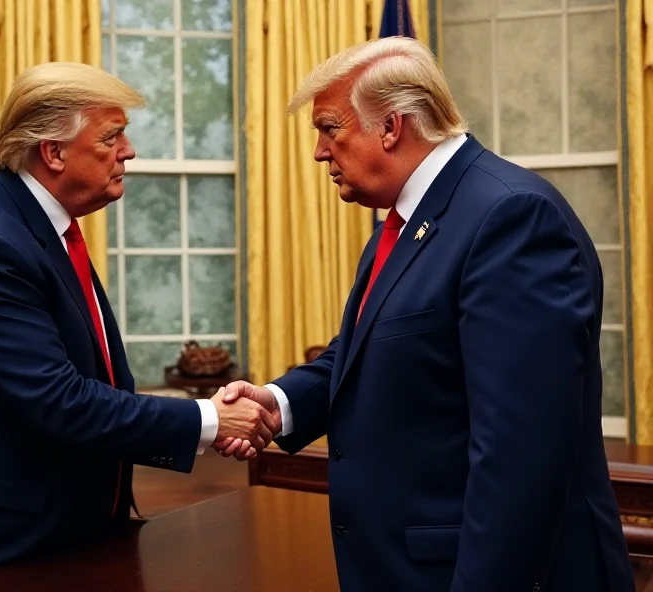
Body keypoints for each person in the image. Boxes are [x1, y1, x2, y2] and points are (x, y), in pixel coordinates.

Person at [218, 37, 635, 591]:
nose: (319, 151)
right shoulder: (410, 219)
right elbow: (367, 350)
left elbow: (520, 458)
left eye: (330, 128)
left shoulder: (509, 217)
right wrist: (278, 402)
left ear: (391, 127)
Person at [0, 62, 273, 578]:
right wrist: (210, 420)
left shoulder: (42, 226)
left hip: (55, 531)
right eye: (112, 137)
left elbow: (94, 377)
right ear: (53, 152)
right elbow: (59, 401)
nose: (129, 152)